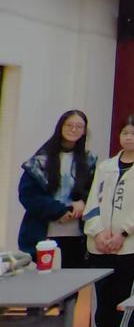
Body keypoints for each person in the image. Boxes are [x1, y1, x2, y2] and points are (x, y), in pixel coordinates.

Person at [84, 115, 134, 327]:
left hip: (130, 245)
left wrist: (123, 233)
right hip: (100, 245)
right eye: (125, 133)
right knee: (103, 299)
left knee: (126, 298)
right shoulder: (105, 166)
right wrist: (98, 232)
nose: (128, 138)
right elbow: (92, 201)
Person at [17, 110, 97, 267]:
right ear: (60, 127)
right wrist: (59, 211)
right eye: (69, 125)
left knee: (72, 279)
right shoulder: (39, 161)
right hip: (42, 233)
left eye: (79, 126)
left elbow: (95, 192)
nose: (74, 129)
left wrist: (83, 201)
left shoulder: (89, 160)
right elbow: (28, 195)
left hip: (77, 235)